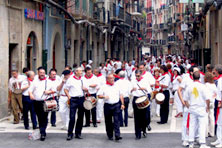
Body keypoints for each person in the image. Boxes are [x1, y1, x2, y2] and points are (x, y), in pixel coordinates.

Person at [184, 71, 210, 148]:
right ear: (200, 77)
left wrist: (189, 106)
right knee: (202, 126)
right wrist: (207, 107)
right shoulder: (203, 86)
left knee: (192, 125)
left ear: (192, 77)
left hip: (192, 107)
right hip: (201, 107)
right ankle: (202, 143)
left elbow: (185, 100)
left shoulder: (189, 86)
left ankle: (191, 142)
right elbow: (207, 99)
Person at [97, 74, 124, 141]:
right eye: (110, 78)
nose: (112, 80)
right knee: (108, 121)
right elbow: (98, 95)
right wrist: (104, 97)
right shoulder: (103, 86)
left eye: (113, 78)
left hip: (116, 105)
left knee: (116, 120)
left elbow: (121, 95)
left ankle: (117, 135)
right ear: (107, 79)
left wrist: (122, 104)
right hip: (107, 105)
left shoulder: (117, 86)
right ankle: (110, 135)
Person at [64, 67, 85, 140]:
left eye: (82, 71)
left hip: (81, 98)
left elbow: (85, 88)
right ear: (76, 72)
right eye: (80, 71)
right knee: (72, 117)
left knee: (80, 117)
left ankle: (78, 133)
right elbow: (66, 89)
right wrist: (69, 96)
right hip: (73, 99)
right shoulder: (70, 79)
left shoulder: (82, 79)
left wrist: (85, 89)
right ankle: (70, 133)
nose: (82, 72)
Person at [29, 67, 49, 141]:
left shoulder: (48, 80)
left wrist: (48, 92)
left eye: (43, 73)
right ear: (38, 73)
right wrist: (31, 95)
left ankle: (42, 132)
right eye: (41, 73)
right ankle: (42, 130)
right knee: (40, 117)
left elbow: (54, 90)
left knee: (44, 117)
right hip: (37, 101)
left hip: (45, 101)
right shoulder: (35, 81)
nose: (42, 74)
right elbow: (30, 90)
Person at [131, 70, 151, 139]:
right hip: (136, 99)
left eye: (138, 76)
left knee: (144, 117)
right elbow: (129, 91)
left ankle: (144, 130)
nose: (137, 77)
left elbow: (149, 90)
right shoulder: (133, 81)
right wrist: (132, 90)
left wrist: (144, 88)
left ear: (141, 75)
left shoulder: (145, 81)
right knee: (136, 117)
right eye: (136, 76)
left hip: (143, 98)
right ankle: (137, 134)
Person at [211, 64, 222, 147]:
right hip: (218, 101)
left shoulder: (221, 80)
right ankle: (219, 139)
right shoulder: (219, 79)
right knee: (218, 123)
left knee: (221, 123)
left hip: (220, 103)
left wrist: (221, 103)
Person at [204, 72, 217, 137]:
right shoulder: (214, 85)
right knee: (211, 117)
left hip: (206, 102)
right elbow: (216, 94)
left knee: (206, 117)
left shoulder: (206, 85)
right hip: (212, 101)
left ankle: (206, 132)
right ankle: (212, 132)